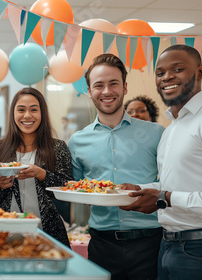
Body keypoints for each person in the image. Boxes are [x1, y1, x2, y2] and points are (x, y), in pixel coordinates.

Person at [68, 53, 165, 280]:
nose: (107, 91)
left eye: (114, 83)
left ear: (125, 87)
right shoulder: (77, 141)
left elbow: (171, 181)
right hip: (102, 244)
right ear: (89, 91)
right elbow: (78, 188)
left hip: (150, 242)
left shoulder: (156, 134)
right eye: (99, 85)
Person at [120, 45, 202, 280]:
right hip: (167, 245)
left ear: (200, 72)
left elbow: (169, 195)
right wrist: (145, 190)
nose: (167, 77)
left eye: (178, 69)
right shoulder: (171, 128)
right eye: (160, 72)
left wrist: (162, 198)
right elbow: (176, 183)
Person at [0, 87, 72, 247]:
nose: (27, 115)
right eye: (21, 110)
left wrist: (42, 174)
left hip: (48, 231)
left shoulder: (57, 148)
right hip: (5, 233)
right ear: (13, 114)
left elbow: (67, 190)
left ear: (42, 113)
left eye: (34, 110)